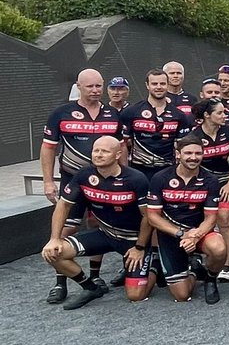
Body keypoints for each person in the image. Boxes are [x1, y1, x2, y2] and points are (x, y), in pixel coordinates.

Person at [40, 136, 154, 309]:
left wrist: (139, 248)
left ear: (118, 154)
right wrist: (54, 238)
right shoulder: (84, 175)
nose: (99, 155)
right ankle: (90, 288)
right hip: (105, 234)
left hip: (133, 240)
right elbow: (63, 205)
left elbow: (148, 217)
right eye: (96, 150)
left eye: (105, 151)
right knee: (53, 253)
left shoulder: (136, 179)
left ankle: (155, 267)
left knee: (135, 295)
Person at [40, 68, 122, 301]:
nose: (95, 91)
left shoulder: (112, 115)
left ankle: (95, 276)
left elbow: (121, 150)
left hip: (104, 183)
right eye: (90, 87)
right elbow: (48, 148)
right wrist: (48, 181)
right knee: (65, 230)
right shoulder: (61, 113)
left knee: (99, 225)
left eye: (99, 86)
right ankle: (60, 282)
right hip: (73, 180)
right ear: (79, 86)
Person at [145, 134, 226, 304]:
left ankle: (210, 280)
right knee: (182, 296)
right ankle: (195, 270)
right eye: (188, 153)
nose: (193, 158)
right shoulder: (160, 178)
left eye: (198, 154)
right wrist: (181, 233)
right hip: (171, 234)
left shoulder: (210, 180)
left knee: (219, 249)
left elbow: (211, 218)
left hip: (199, 231)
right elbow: (152, 217)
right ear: (178, 154)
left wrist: (194, 235)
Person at [192, 97, 229, 281]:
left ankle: (227, 265)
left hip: (225, 182)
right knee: (201, 219)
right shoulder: (194, 136)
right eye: (220, 113)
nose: (225, 115)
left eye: (225, 112)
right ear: (207, 115)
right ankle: (199, 257)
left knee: (224, 219)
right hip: (203, 184)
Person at [120, 69, 192, 181]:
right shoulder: (131, 112)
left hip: (167, 170)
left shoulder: (179, 115)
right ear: (147, 85)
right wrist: (124, 172)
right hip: (138, 169)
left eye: (162, 84)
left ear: (168, 85)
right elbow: (123, 144)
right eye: (154, 84)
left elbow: (181, 147)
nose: (158, 87)